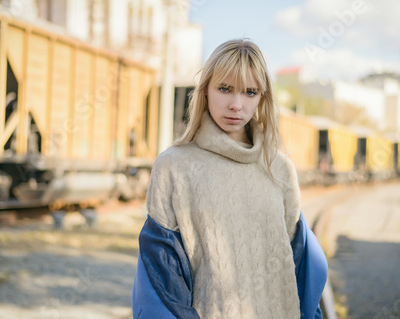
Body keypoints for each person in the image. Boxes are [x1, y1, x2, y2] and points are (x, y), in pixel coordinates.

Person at [132, 39, 328, 319]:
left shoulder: (280, 169)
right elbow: (162, 279)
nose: (237, 105)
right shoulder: (174, 166)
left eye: (250, 92)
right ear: (206, 91)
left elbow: (300, 270)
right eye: (225, 89)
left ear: (262, 97)